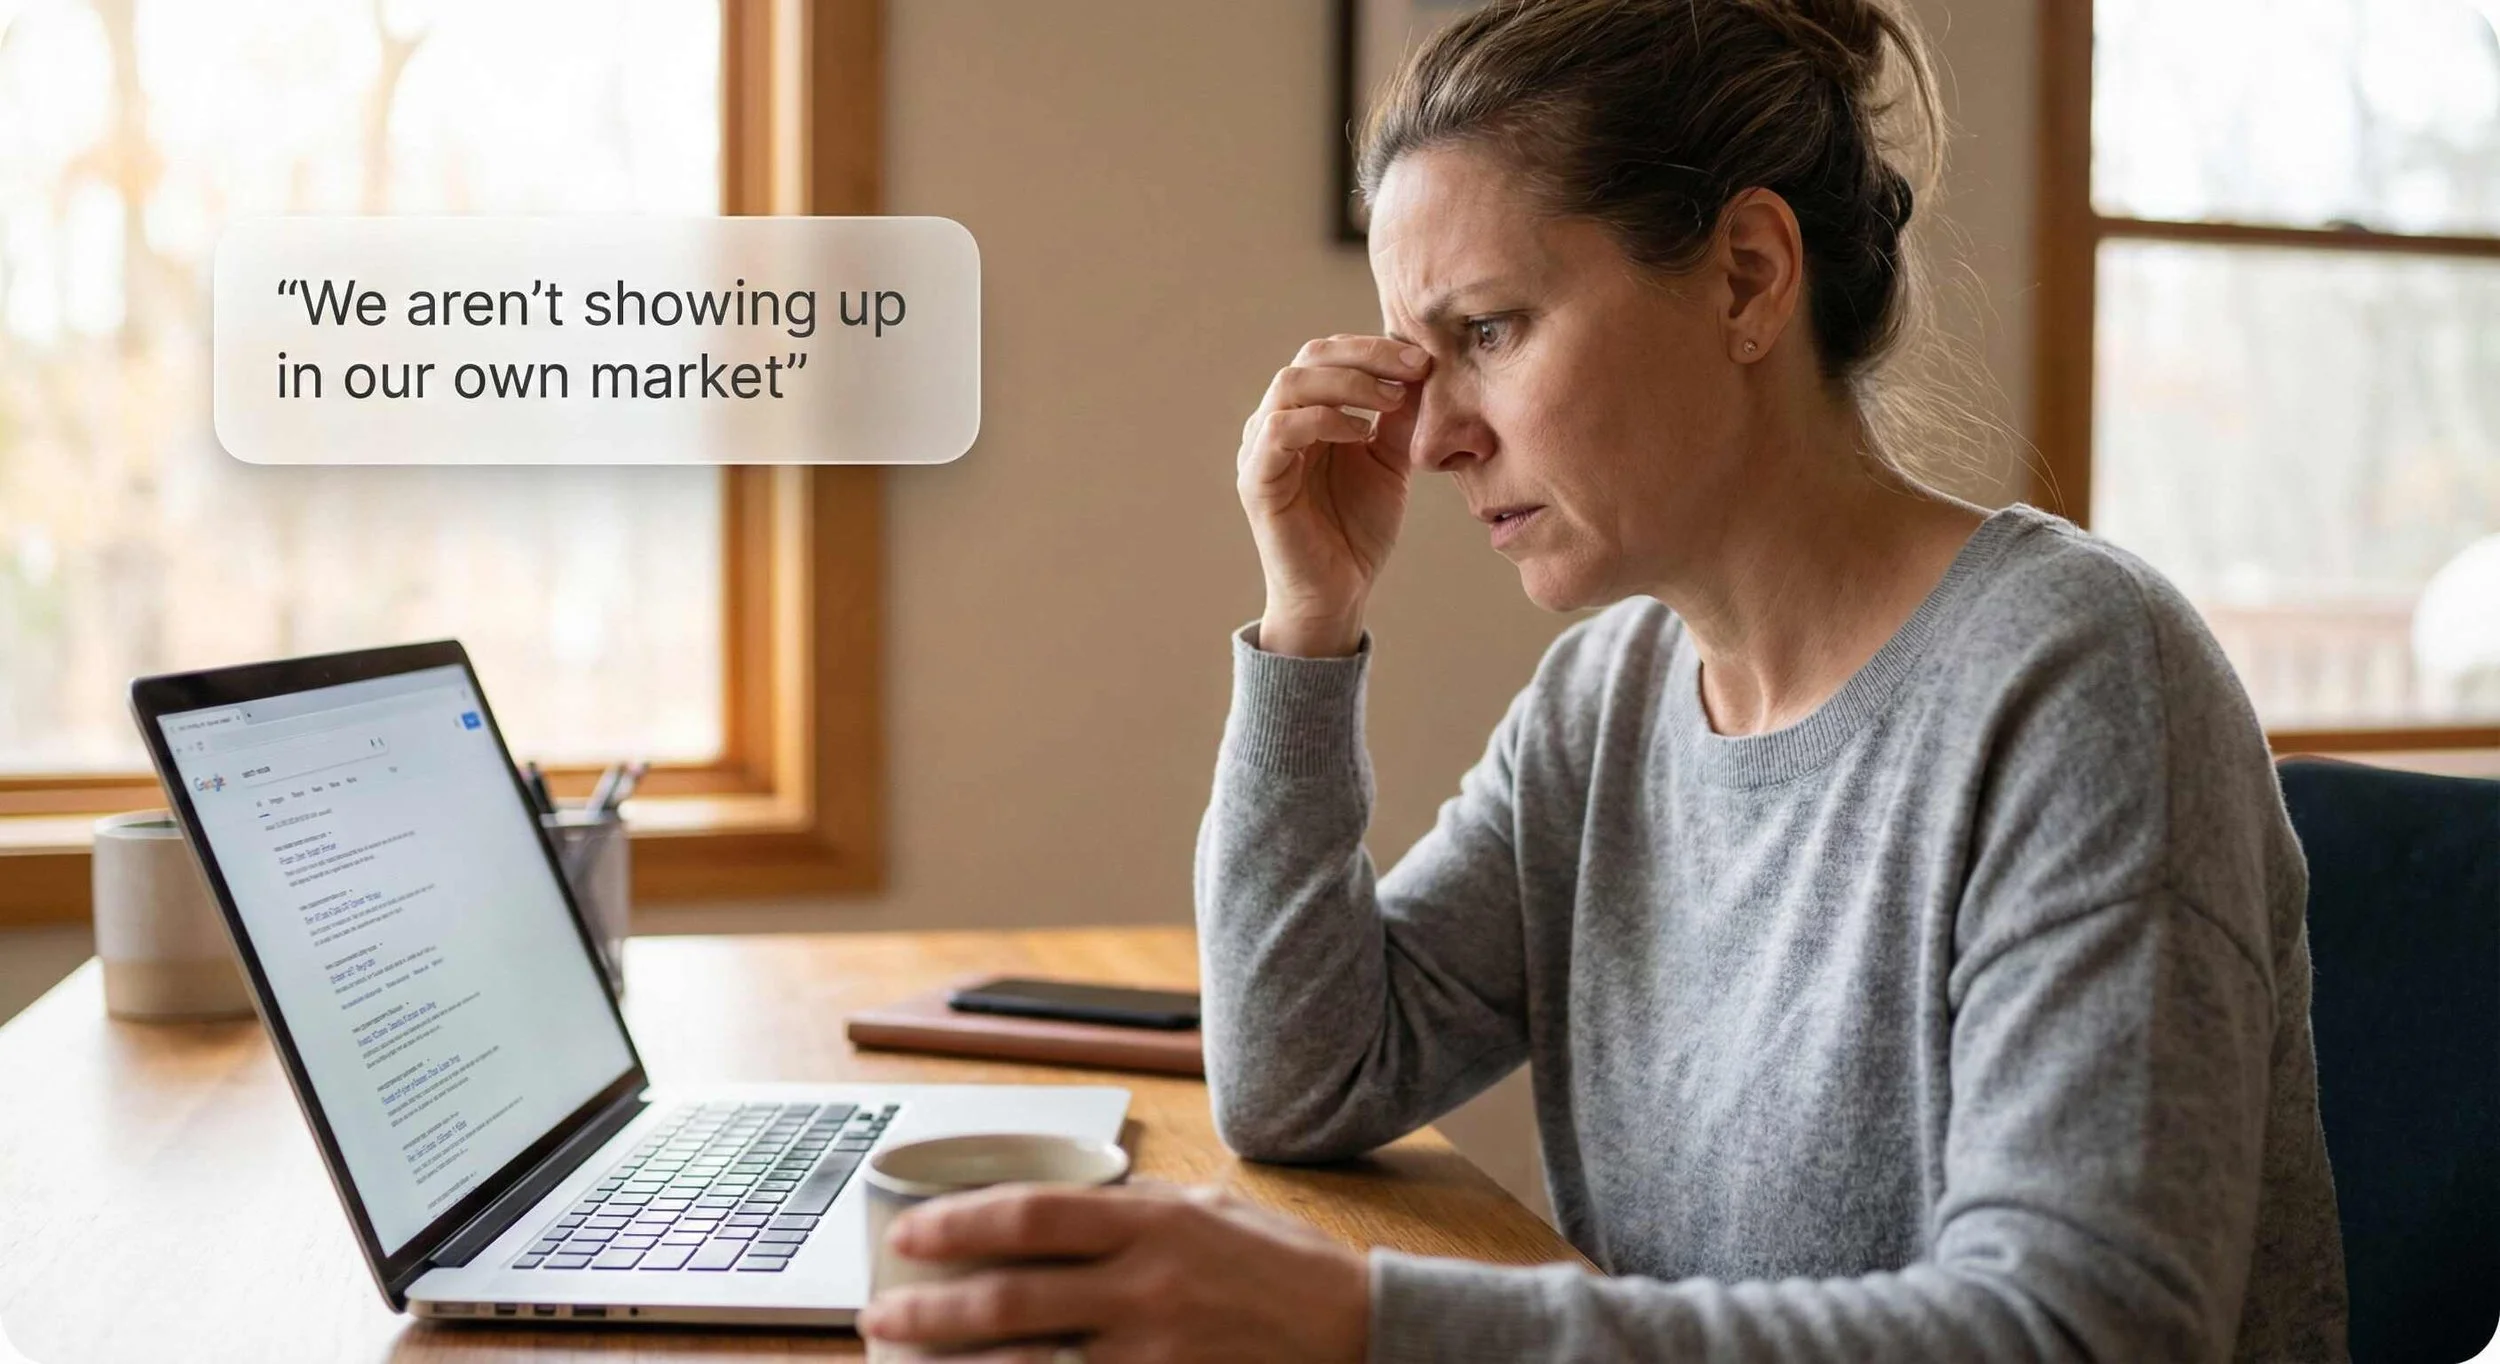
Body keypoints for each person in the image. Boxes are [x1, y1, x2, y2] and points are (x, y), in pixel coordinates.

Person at [857, 0, 2350, 1359]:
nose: (1433, 436)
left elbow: (2081, 1336)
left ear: (1749, 279)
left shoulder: (2079, 680)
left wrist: (1369, 1323)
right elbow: (1305, 1078)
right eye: (1413, 360)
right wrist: (1307, 621)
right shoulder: (1609, 701)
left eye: (1488, 332)